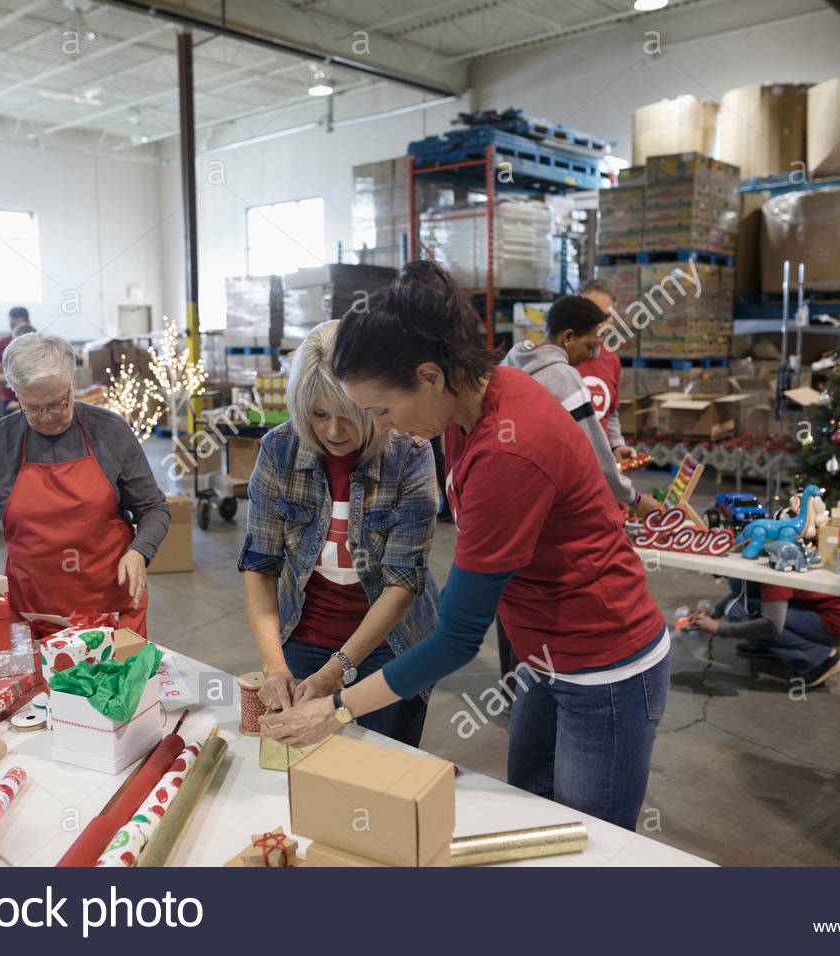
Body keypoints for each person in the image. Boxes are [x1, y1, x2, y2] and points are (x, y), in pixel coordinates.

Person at [262, 261, 669, 831]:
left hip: (603, 664)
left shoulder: (507, 450)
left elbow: (454, 637)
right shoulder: (470, 401)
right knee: (534, 813)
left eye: (381, 410)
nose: (388, 427)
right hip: (542, 658)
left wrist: (336, 708)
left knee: (589, 841)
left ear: (429, 376)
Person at [240, 321, 440, 747]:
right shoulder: (279, 451)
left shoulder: (410, 455)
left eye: (347, 415)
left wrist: (338, 671)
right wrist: (275, 666)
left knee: (381, 772)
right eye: (318, 414)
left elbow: (402, 583)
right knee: (303, 767)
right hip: (304, 637)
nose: (333, 431)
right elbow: (260, 565)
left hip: (391, 646)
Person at [0, 333, 169, 629]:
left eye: (57, 403)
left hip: (110, 609)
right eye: (32, 406)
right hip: (34, 615)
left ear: (72, 382)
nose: (46, 417)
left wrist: (138, 551)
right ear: (15, 393)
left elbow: (153, 508)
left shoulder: (110, 432)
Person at [502, 295, 660, 519]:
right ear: (568, 336)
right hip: (544, 499)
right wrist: (634, 498)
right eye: (589, 346)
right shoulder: (564, 379)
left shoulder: (513, 360)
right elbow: (596, 456)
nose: (589, 356)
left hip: (507, 488)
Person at [690, 579, 840, 687]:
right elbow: (743, 591)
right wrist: (713, 612)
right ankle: (767, 645)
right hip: (831, 616)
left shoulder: (774, 568)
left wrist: (719, 629)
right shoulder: (764, 555)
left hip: (835, 623)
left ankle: (819, 660)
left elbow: (771, 625)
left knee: (739, 610)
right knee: (742, 603)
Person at [573, 278, 634, 464]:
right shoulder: (560, 361)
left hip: (601, 465)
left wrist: (617, 445)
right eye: (593, 315)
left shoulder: (612, 361)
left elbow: (611, 413)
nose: (600, 324)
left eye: (606, 316)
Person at [0, 307, 32, 416]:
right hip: (9, 401)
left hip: (34, 400)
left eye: (18, 326)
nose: (14, 329)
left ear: (27, 323)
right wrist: (15, 379)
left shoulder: (38, 343)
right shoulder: (2, 344)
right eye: (12, 326)